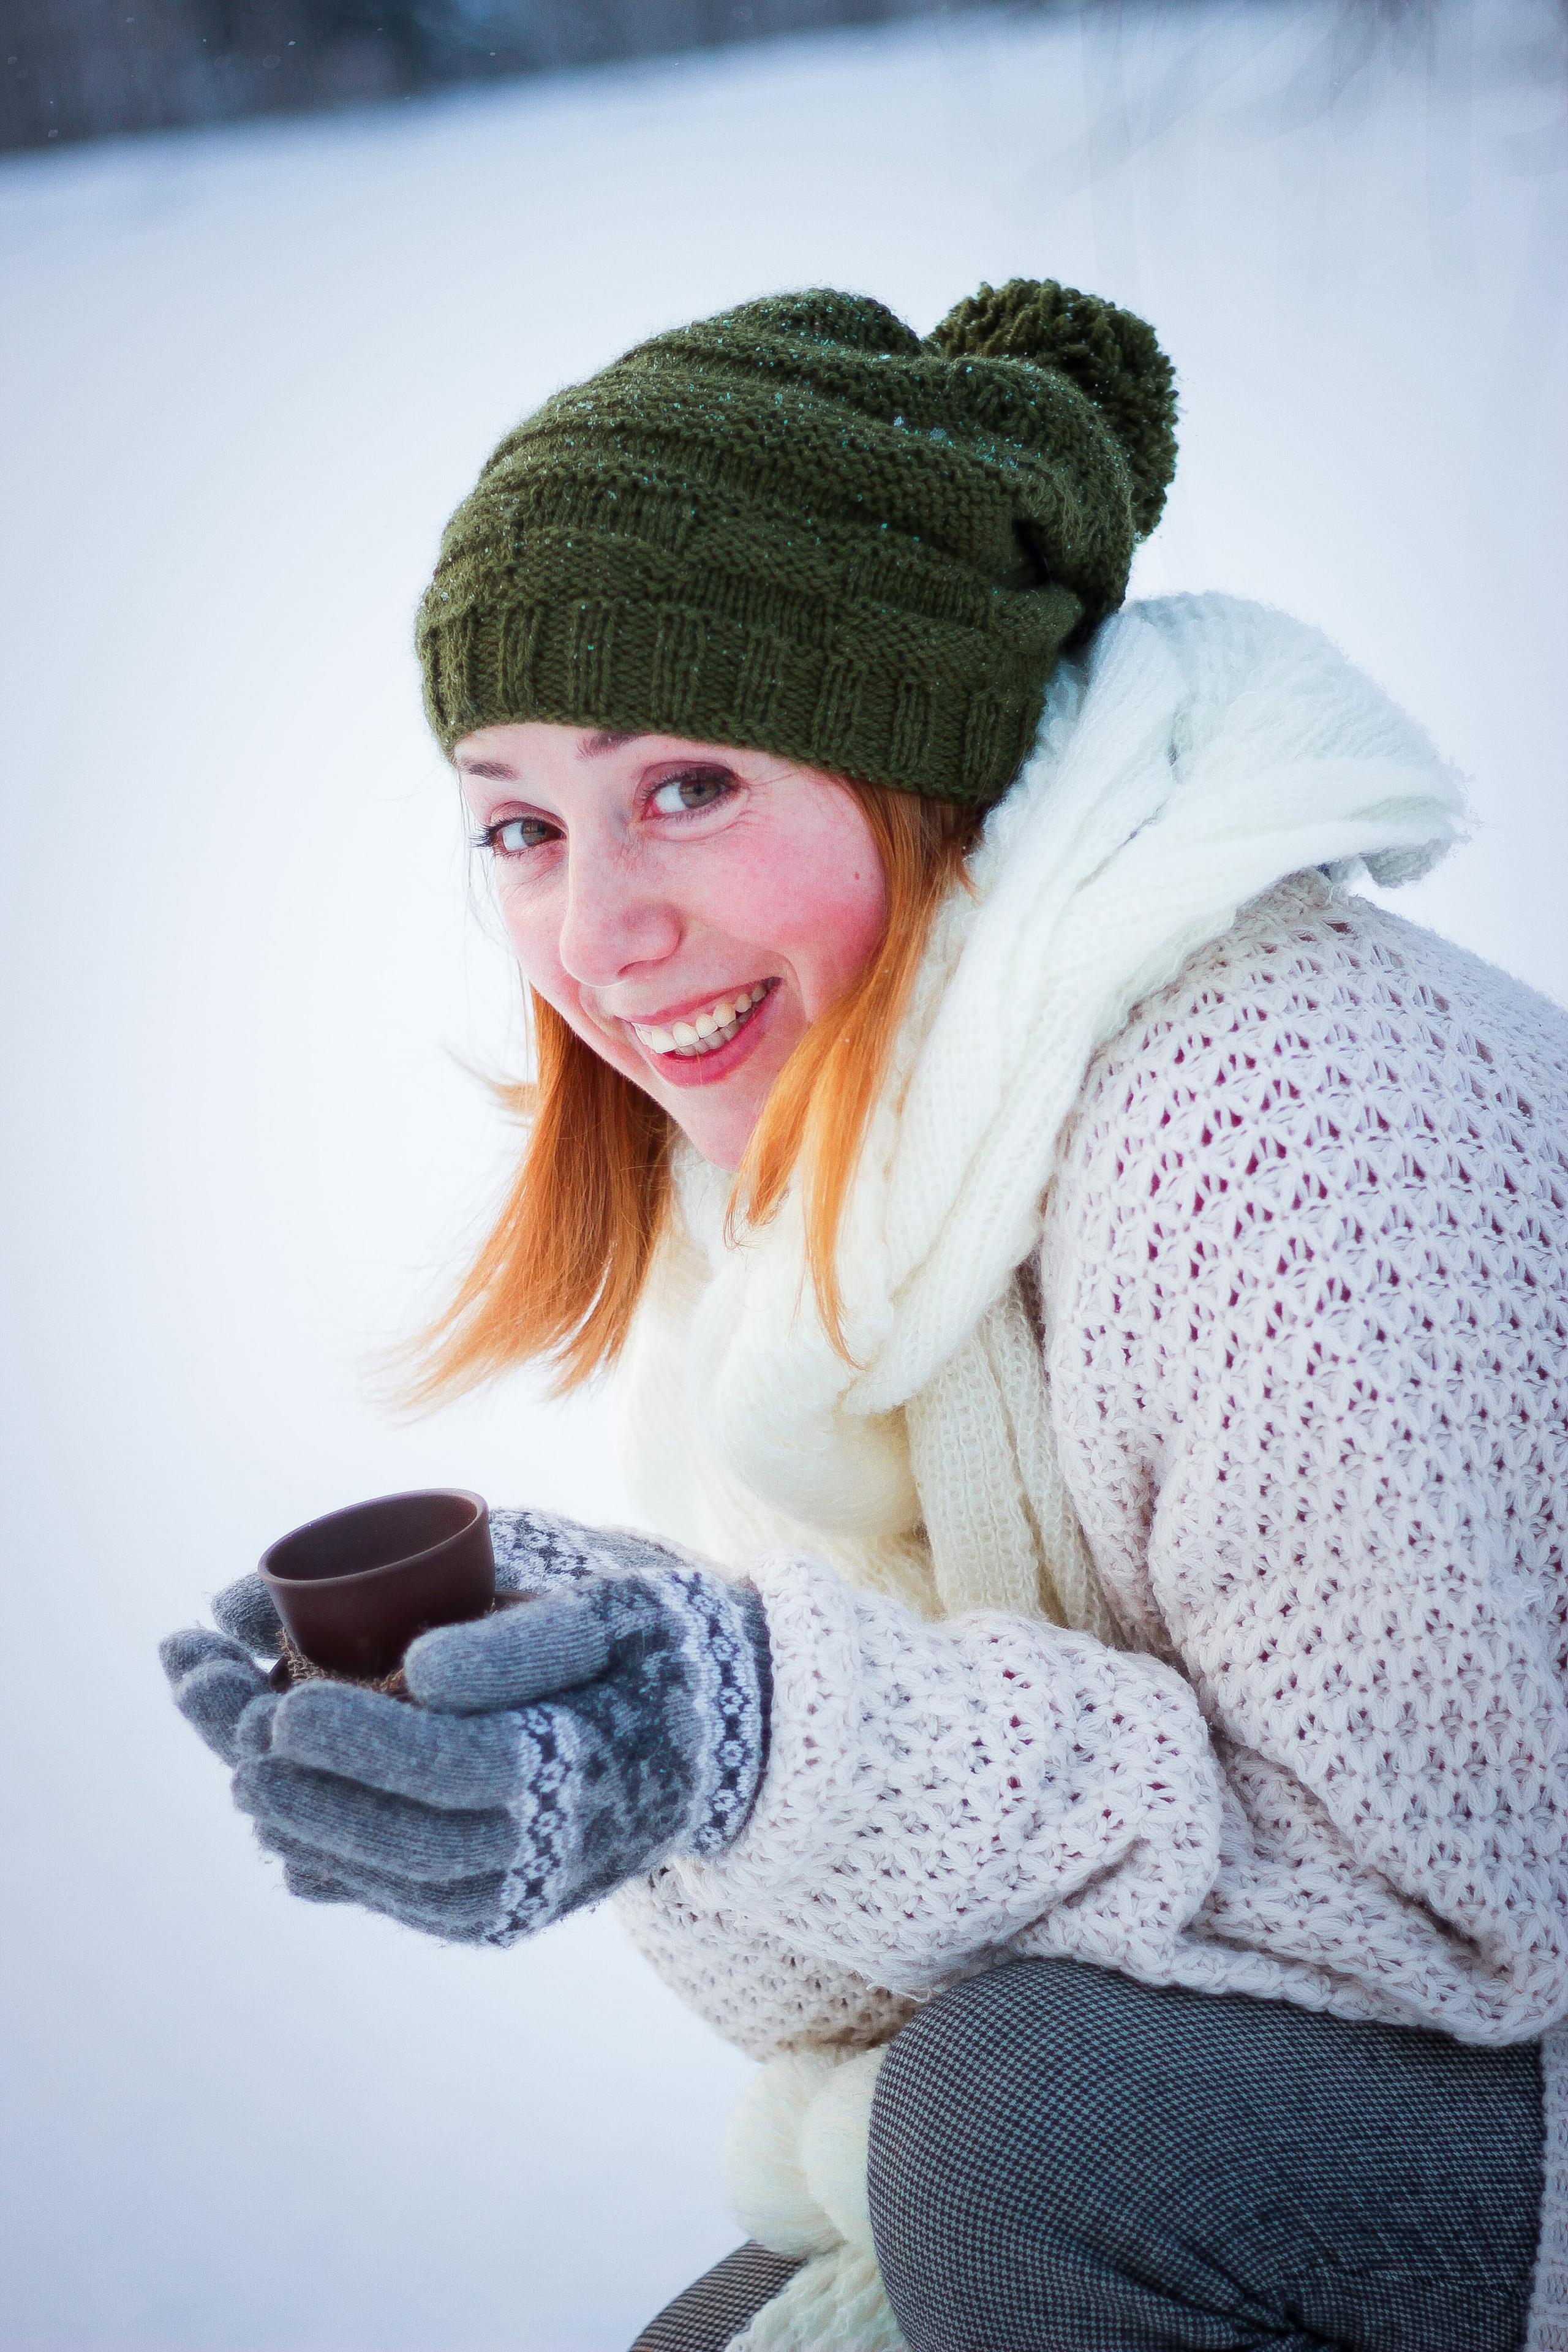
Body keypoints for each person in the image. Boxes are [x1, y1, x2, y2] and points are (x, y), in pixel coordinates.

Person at [161, 280, 1568, 2352]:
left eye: (692, 786)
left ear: (921, 751)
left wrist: (755, 1727)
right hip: (1353, 2084)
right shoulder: (827, 1179)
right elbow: (886, 1979)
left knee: (1017, 2144)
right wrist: (609, 1714)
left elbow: (1446, 1903)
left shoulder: (1272, 1113)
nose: (598, 933)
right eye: (524, 827)